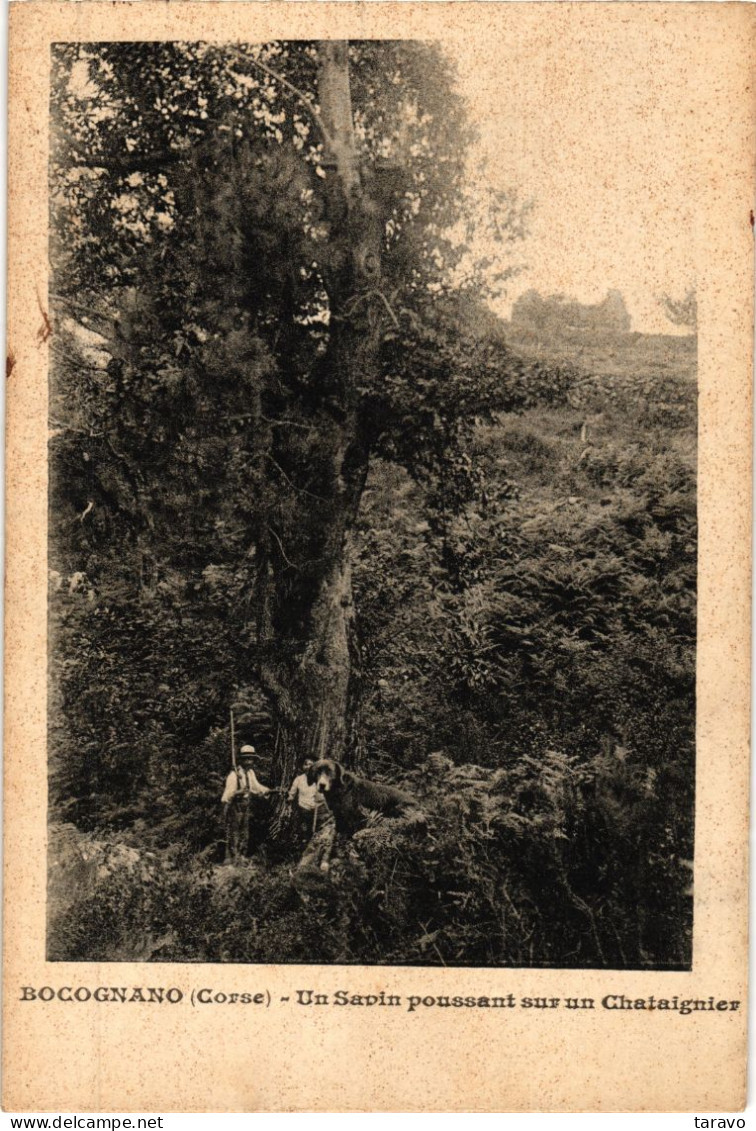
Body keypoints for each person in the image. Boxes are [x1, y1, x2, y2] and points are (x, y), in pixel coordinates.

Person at [222, 745, 271, 862]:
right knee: (234, 832)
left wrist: (266, 790)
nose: (249, 761)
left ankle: (242, 855)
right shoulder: (234, 775)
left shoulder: (250, 773)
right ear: (241, 760)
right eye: (246, 759)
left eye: (251, 758)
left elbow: (256, 786)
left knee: (245, 831)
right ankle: (233, 857)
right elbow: (227, 796)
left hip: (246, 804)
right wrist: (238, 792)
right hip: (235, 806)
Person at [287, 759, 326, 843]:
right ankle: (304, 842)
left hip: (317, 809)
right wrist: (288, 798)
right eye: (306, 764)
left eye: (311, 764)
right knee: (305, 829)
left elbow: (324, 794)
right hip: (304, 808)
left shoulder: (320, 779)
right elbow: (292, 794)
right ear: (302, 766)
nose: (308, 767)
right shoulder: (299, 779)